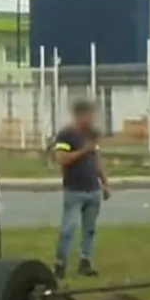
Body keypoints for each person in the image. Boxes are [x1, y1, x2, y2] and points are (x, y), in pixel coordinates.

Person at [52, 99, 111, 278]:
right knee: (68, 229)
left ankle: (86, 262)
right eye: (90, 115)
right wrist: (84, 150)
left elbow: (95, 161)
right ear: (80, 115)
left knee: (90, 229)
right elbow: (62, 158)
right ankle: (60, 264)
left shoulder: (91, 135)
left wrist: (105, 183)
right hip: (74, 190)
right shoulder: (66, 135)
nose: (93, 119)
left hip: (92, 189)